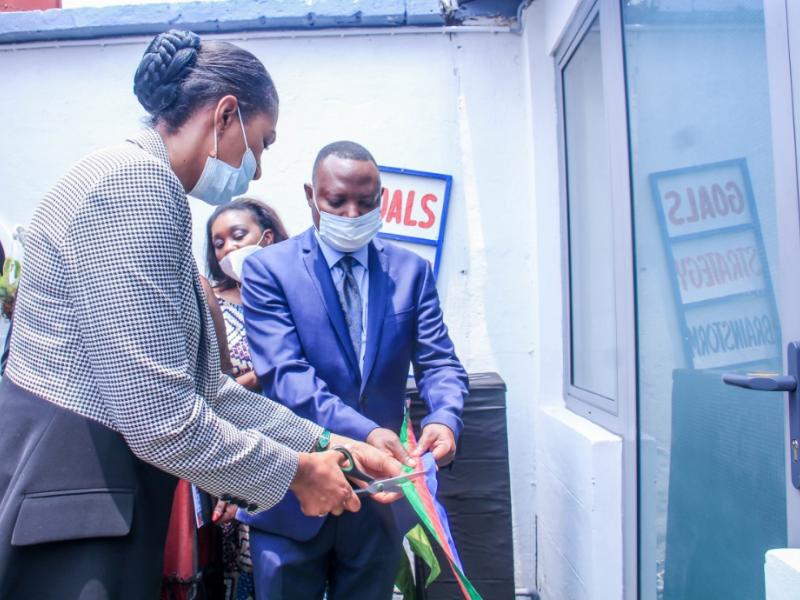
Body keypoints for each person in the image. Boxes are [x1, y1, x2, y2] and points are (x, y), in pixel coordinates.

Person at [0, 31, 400, 600]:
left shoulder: (134, 178)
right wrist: (295, 474)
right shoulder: (135, 185)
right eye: (261, 143)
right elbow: (161, 417)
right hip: (78, 486)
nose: (257, 171)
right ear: (226, 114)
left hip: (87, 486)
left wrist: (327, 442)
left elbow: (206, 389)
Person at [240, 141, 469, 600]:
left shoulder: (410, 272)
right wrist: (365, 434)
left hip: (379, 502)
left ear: (380, 200)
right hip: (292, 494)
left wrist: (446, 417)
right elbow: (286, 377)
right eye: (336, 201)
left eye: (366, 203)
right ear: (311, 195)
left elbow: (439, 361)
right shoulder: (269, 271)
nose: (351, 213)